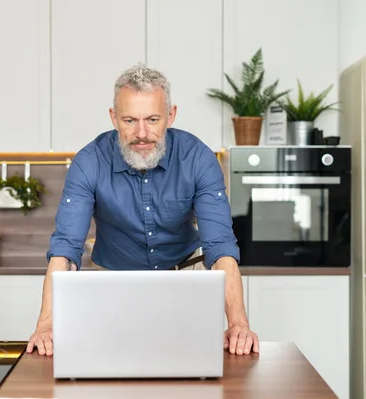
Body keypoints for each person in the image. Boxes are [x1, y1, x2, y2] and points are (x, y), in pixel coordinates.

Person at [26, 63, 259, 357]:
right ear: (113, 118)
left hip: (187, 275)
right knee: (114, 366)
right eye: (129, 120)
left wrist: (238, 323)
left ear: (170, 116)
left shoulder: (197, 158)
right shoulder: (89, 163)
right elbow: (66, 249)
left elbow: (220, 247)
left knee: (191, 367)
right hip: (114, 281)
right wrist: (46, 324)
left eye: (152, 119)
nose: (142, 133)